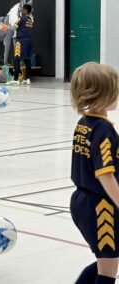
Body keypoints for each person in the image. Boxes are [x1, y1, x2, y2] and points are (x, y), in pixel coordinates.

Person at [70, 62, 119, 284]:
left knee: (106, 261)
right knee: (108, 271)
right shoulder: (104, 130)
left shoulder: (84, 123)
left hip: (82, 201)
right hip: (102, 207)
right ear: (104, 95)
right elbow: (104, 174)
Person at [0, 4, 33, 85]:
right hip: (29, 41)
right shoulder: (30, 19)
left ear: (25, 10)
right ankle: (27, 79)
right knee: (27, 60)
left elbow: (14, 28)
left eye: (22, 9)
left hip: (20, 41)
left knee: (16, 59)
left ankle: (16, 79)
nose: (21, 11)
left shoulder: (21, 19)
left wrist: (3, 26)